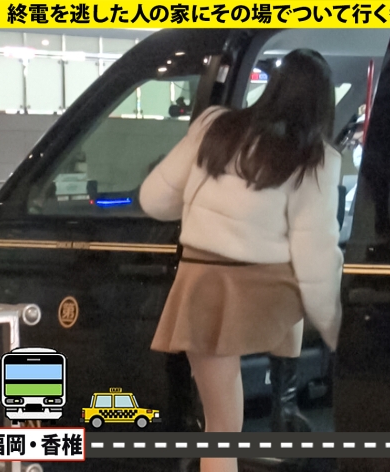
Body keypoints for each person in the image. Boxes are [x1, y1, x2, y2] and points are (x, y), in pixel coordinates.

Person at [139, 49, 343, 472]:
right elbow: (315, 252)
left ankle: (282, 402)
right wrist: (333, 324)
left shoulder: (214, 125)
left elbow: (154, 200)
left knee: (221, 429)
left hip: (200, 284)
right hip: (268, 292)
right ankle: (285, 400)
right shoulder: (316, 157)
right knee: (299, 291)